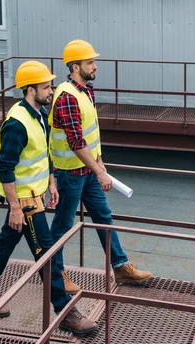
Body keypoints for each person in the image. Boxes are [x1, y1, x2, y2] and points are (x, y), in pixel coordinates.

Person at [0, 60, 98, 336]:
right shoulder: (16, 123)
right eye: (45, 87)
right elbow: (4, 168)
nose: (51, 90)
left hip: (34, 196)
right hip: (24, 203)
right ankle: (65, 312)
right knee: (46, 253)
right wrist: (15, 208)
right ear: (29, 90)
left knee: (4, 244)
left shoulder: (38, 113)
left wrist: (51, 181)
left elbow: (42, 153)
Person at [49, 40, 152, 294]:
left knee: (103, 217)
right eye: (90, 63)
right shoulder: (66, 97)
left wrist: (100, 160)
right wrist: (99, 171)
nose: (95, 66)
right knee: (62, 225)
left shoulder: (86, 91)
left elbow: (90, 133)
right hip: (70, 174)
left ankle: (120, 266)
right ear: (75, 67)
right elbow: (74, 142)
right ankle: (53, 275)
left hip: (86, 171)